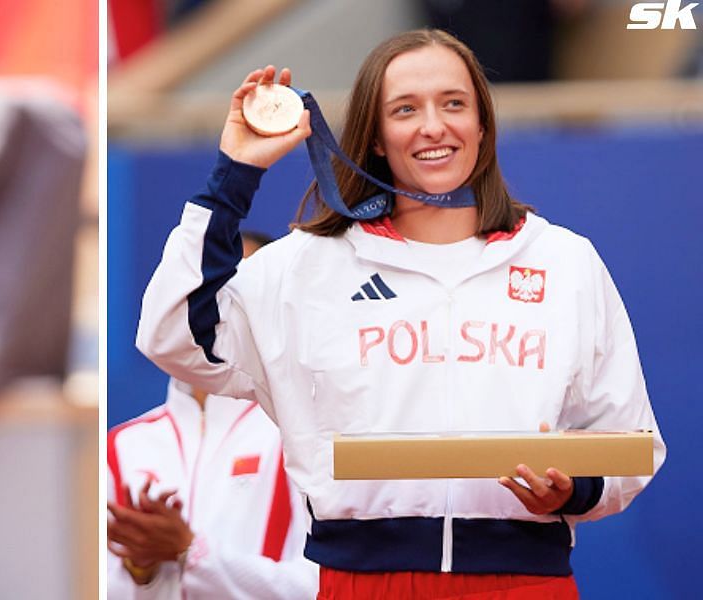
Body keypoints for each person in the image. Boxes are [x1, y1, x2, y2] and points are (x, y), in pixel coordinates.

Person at [136, 29, 665, 599]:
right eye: (406, 109)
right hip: (358, 582)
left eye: (454, 104)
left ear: (483, 126)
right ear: (378, 137)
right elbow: (175, 336)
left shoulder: (564, 260)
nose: (433, 126)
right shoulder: (306, 267)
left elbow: (631, 441)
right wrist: (233, 174)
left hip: (526, 581)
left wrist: (574, 490)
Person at [107, 232, 318, 600]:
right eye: (201, 289)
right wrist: (141, 570)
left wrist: (192, 552)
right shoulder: (124, 444)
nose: (215, 308)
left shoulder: (301, 429)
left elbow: (323, 586)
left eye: (237, 290)